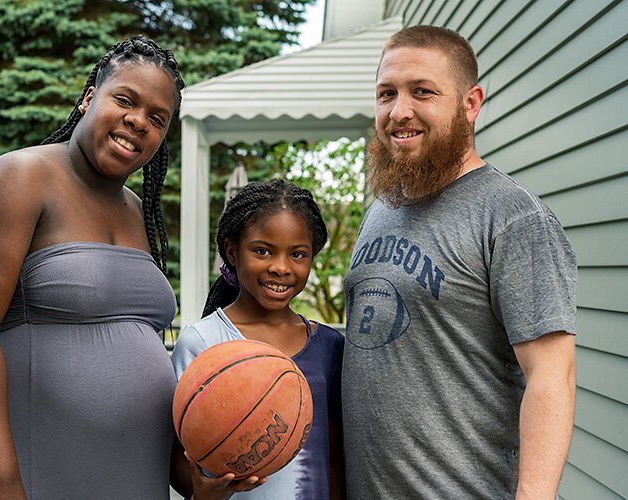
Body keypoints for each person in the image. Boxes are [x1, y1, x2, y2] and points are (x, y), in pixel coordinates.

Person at [0, 36, 187, 499]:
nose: (138, 122)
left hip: (132, 463)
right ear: (88, 98)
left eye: (157, 119)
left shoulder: (137, 210)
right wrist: (1, 478)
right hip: (30, 455)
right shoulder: (21, 176)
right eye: (125, 100)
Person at [342, 25, 577, 499]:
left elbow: (553, 375)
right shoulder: (380, 212)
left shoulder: (512, 217)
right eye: (387, 93)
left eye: (422, 92)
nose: (399, 111)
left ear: (470, 103)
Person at [172, 179, 346, 500]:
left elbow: (335, 456)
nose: (280, 267)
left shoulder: (330, 346)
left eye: (297, 254)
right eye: (263, 251)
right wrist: (205, 494)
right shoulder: (202, 342)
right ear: (231, 252)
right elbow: (180, 459)